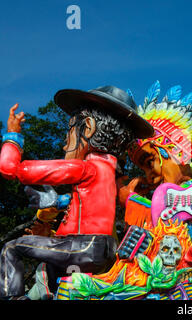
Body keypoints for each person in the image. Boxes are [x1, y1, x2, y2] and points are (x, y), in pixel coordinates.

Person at [0, 86, 153, 299]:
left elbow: (12, 169)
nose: (64, 146)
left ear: (88, 128)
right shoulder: (108, 170)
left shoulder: (86, 168)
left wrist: (13, 137)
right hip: (105, 249)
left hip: (84, 246)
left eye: (69, 132)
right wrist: (60, 201)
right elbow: (89, 202)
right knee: (46, 268)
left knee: (11, 249)